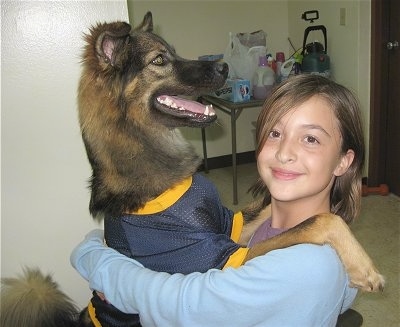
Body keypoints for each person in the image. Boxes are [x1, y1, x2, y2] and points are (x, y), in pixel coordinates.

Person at [71, 74, 365, 326]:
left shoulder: (308, 264)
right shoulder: (278, 229)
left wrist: (93, 255)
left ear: (343, 161)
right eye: (275, 133)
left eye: (310, 138)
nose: (284, 152)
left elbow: (180, 305)